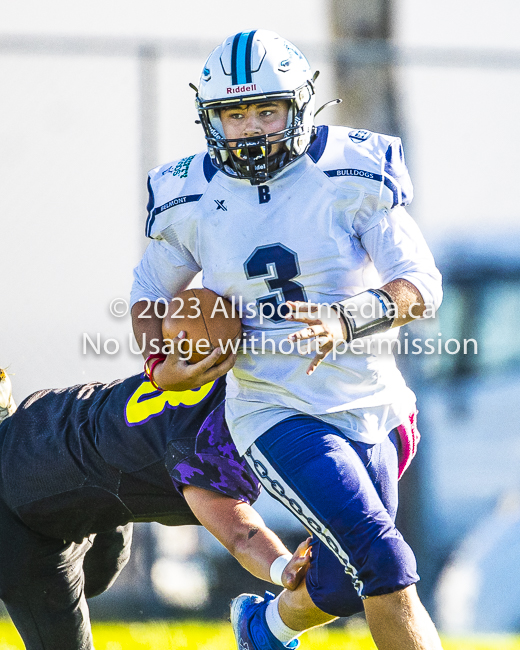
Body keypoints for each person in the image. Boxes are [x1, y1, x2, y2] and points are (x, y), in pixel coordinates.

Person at [130, 30, 444, 650]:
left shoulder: (349, 173)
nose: (252, 127)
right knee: (383, 557)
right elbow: (149, 294)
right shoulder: (190, 194)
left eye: (266, 109)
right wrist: (161, 365)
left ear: (298, 106)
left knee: (344, 582)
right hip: (274, 406)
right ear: (211, 119)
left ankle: (262, 628)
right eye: (235, 114)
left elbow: (421, 286)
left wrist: (347, 319)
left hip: (370, 400)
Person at [0, 367, 310, 650]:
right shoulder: (212, 444)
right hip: (25, 510)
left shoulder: (233, 372)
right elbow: (242, 535)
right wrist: (283, 566)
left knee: (101, 574)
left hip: (63, 425)